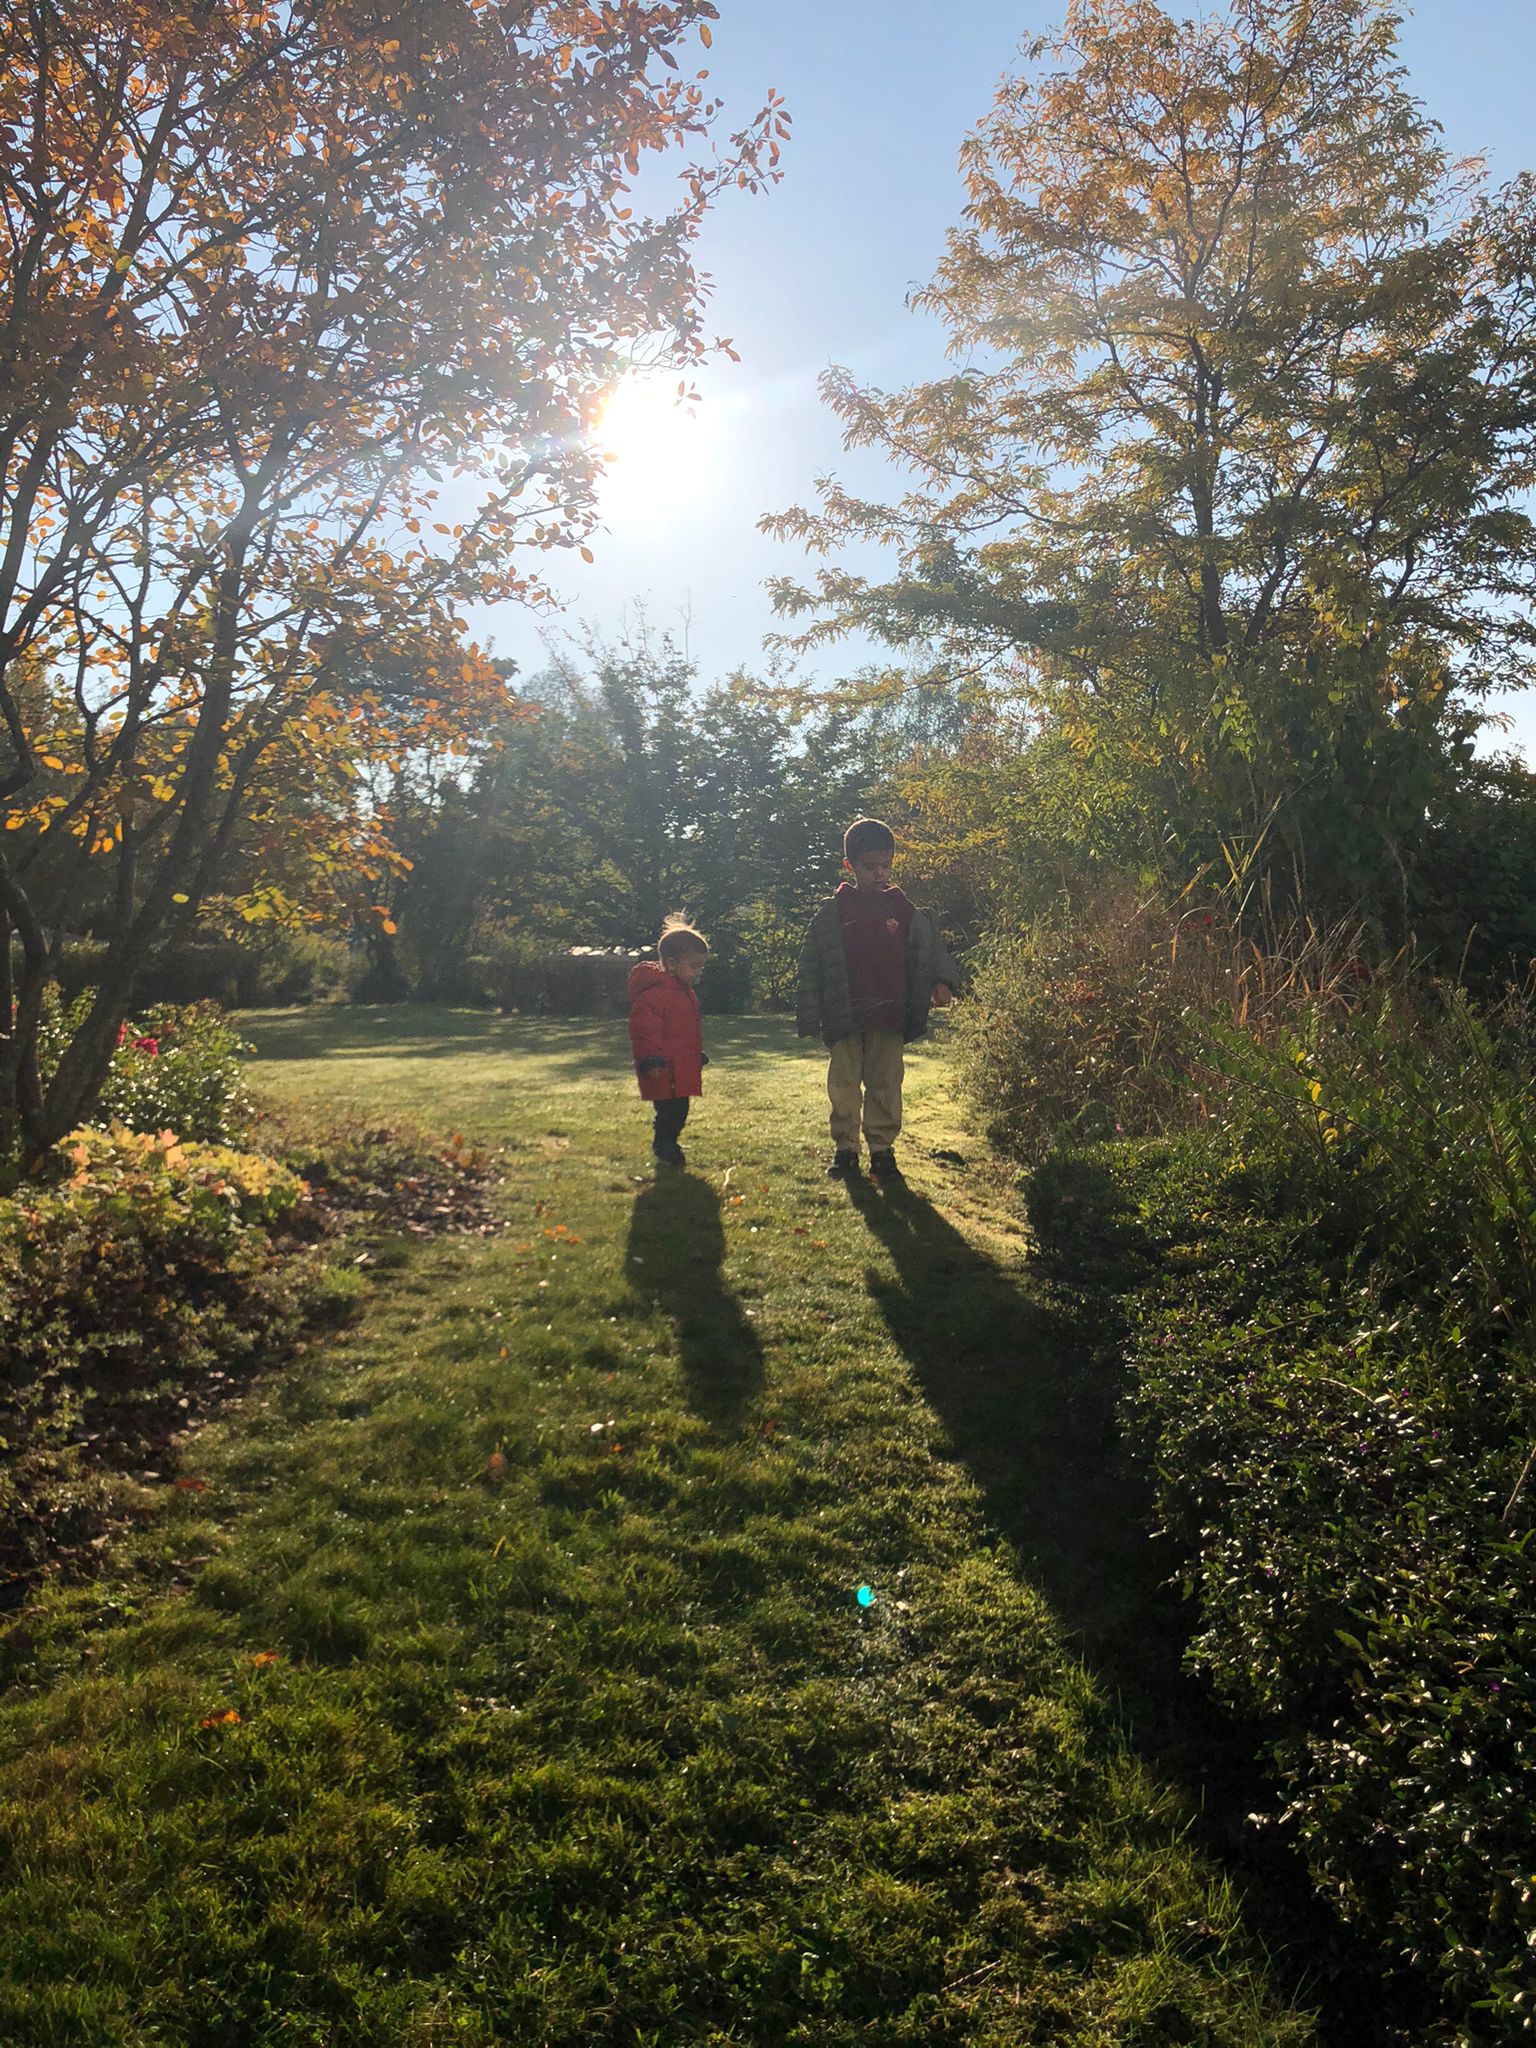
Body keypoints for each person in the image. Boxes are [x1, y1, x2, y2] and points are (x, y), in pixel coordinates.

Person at [795, 817, 959, 1183]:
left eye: (885, 865)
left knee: (886, 1084)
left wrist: (941, 981)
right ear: (849, 866)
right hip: (845, 1015)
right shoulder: (832, 912)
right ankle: (846, 1150)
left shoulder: (902, 908)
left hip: (890, 1014)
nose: (879, 873)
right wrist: (808, 1013)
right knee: (844, 1084)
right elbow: (810, 965)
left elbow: (928, 948)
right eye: (870, 867)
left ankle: (882, 1151)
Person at [628, 918, 709, 1168]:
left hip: (681, 1065)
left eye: (700, 967)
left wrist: (695, 1055)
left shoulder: (685, 992)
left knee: (679, 1109)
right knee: (669, 1110)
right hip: (663, 1068)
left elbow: (686, 1031)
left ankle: (668, 1141)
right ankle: (664, 1143)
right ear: (672, 965)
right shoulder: (654, 995)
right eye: (694, 966)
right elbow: (644, 1031)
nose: (698, 972)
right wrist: (650, 1059)